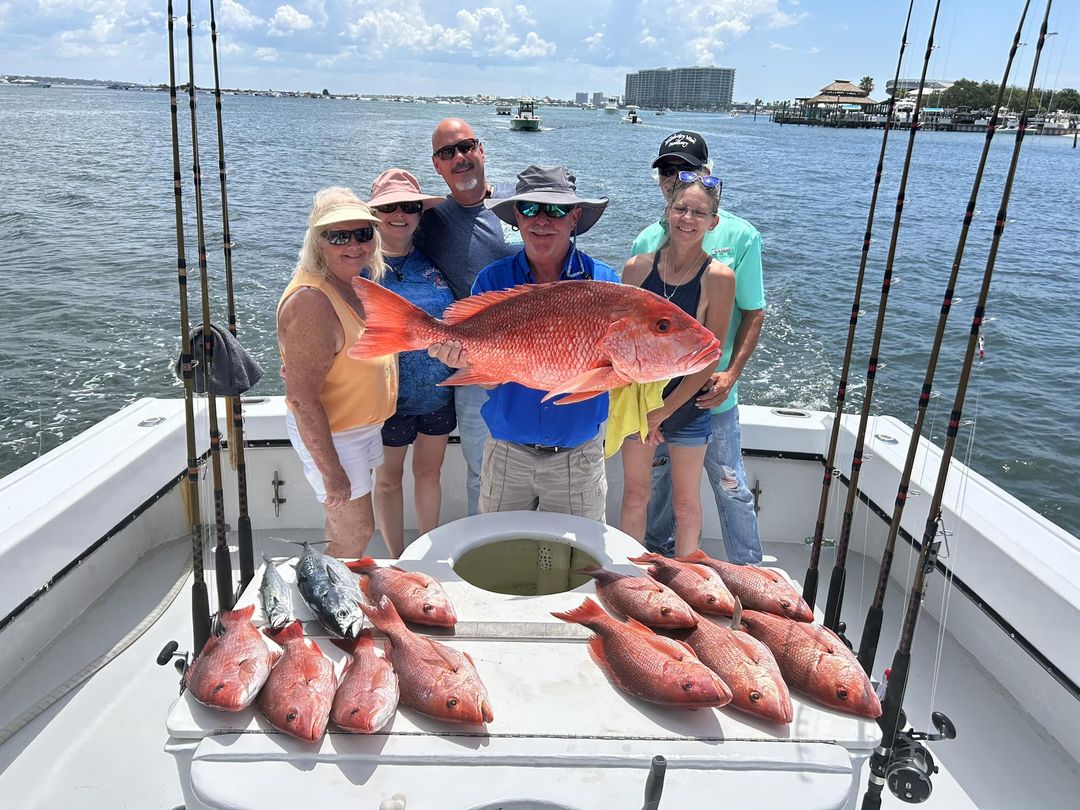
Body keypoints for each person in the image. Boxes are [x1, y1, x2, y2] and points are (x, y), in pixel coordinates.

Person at [429, 165, 617, 520]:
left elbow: (614, 372)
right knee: (498, 561)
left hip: (578, 459)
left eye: (556, 209)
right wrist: (461, 357)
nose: (542, 220)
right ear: (517, 215)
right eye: (530, 208)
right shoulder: (492, 281)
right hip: (506, 455)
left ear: (575, 217)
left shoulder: (604, 283)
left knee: (578, 567)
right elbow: (489, 380)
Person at [631, 130, 766, 564]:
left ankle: (748, 568)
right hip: (652, 395)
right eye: (667, 171)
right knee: (657, 491)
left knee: (731, 486)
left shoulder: (743, 237)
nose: (675, 178)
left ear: (707, 174)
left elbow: (754, 311)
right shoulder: (644, 245)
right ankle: (658, 568)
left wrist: (731, 374)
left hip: (712, 395)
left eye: (686, 169)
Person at [276, 187, 397, 558]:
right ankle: (331, 607)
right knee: (357, 530)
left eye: (363, 233)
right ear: (318, 243)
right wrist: (331, 471)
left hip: (359, 429)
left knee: (343, 525)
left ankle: (326, 582)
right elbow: (301, 397)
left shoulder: (352, 285)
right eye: (338, 236)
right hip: (336, 437)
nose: (354, 245)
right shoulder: (312, 302)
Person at [620, 174, 735, 557]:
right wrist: (646, 412)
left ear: (713, 222)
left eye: (699, 213)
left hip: (687, 404)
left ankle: (688, 586)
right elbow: (621, 342)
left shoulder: (719, 278)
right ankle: (631, 580)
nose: (688, 218)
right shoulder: (637, 269)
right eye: (681, 208)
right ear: (667, 213)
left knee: (686, 505)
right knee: (636, 494)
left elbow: (710, 355)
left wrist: (665, 411)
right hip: (637, 400)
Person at [413, 118, 516, 517]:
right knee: (482, 470)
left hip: (543, 354)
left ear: (482, 150)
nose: (459, 158)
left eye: (466, 146)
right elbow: (387, 258)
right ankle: (486, 561)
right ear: (436, 166)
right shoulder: (432, 223)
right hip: (476, 364)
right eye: (446, 153)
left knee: (542, 461)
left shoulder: (518, 201)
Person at [367, 169, 454, 558]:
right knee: (387, 481)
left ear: (420, 215)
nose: (399, 214)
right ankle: (398, 558)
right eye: (389, 207)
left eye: (409, 206)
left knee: (428, 473)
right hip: (387, 401)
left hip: (437, 393)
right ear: (375, 214)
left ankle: (426, 555)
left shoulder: (433, 260)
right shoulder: (358, 266)